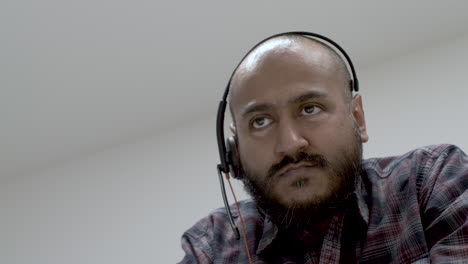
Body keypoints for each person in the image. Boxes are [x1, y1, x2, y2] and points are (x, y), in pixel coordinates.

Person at [178, 33, 468, 263]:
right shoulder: (212, 246)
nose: (290, 144)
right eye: (261, 121)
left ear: (357, 117)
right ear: (235, 151)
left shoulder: (430, 182)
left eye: (309, 109)